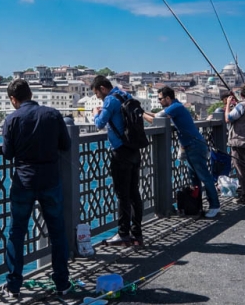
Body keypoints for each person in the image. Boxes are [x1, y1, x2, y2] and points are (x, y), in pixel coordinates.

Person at [1, 79, 71, 299]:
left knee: (17, 232)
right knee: (57, 231)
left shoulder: (11, 119)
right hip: (50, 179)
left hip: (24, 181)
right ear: (30, 94)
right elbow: (66, 145)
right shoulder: (52, 114)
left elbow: (7, 153)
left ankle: (13, 285)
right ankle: (62, 283)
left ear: (14, 99)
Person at [143, 87, 221, 217]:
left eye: (160, 99)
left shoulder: (175, 107)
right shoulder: (176, 106)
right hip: (191, 145)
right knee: (194, 180)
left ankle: (215, 205)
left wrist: (141, 114)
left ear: (168, 98)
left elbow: (155, 119)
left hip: (194, 145)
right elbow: (157, 116)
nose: (159, 101)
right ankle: (197, 207)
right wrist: (144, 112)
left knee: (204, 177)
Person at [91, 75, 143, 245]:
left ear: (102, 88)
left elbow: (99, 123)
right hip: (134, 149)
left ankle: (123, 233)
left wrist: (95, 114)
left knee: (123, 194)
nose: (98, 97)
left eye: (97, 94)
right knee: (134, 193)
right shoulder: (126, 95)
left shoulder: (110, 101)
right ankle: (137, 233)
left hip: (120, 152)